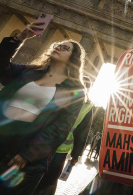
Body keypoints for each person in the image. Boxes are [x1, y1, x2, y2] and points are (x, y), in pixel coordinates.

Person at [0, 22, 86, 195]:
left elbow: (60, 127)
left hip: (23, 156)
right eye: (58, 45)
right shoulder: (29, 70)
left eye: (65, 48)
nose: (59, 47)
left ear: (73, 58)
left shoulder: (74, 90)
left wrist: (29, 154)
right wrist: (20, 38)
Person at [34, 77, 94, 195]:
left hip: (46, 143)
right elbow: (82, 133)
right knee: (50, 180)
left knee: (37, 175)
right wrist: (75, 156)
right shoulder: (88, 106)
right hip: (60, 150)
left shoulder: (65, 96)